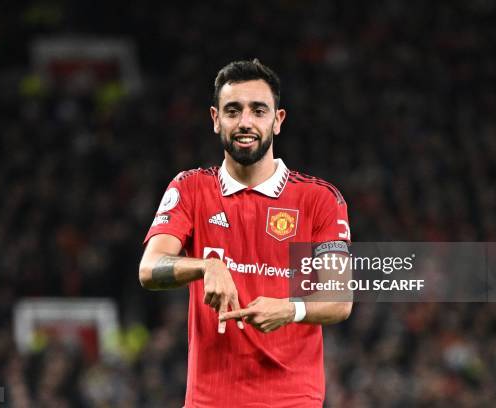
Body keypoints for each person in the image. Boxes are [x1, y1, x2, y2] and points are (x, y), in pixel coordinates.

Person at [139, 59, 352, 408]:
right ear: (215, 119)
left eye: (258, 110)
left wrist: (290, 309)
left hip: (292, 399)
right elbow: (149, 269)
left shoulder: (317, 200)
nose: (245, 122)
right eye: (233, 110)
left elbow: (339, 300)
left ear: (278, 120)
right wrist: (206, 267)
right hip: (209, 399)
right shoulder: (192, 189)